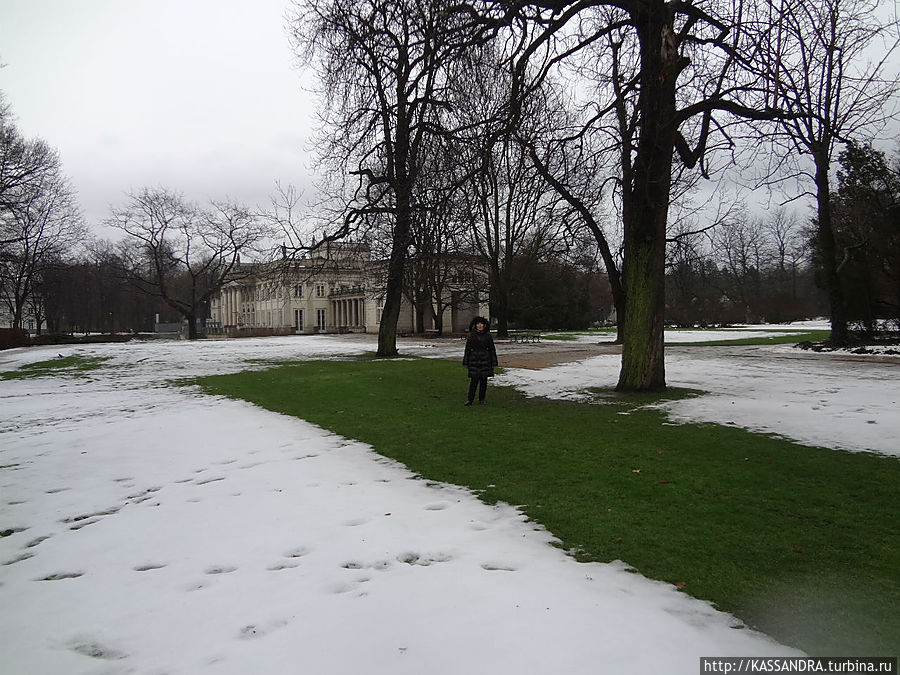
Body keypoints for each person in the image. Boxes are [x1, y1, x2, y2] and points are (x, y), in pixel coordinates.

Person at [462, 316, 498, 406]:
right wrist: (465, 361)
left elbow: (492, 349)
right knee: (473, 381)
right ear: (475, 325)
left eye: (481, 324)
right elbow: (467, 349)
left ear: (484, 325)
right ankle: (470, 399)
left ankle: (482, 399)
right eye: (478, 324)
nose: (480, 325)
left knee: (483, 381)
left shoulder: (488, 336)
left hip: (485, 359)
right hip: (474, 359)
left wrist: (494, 361)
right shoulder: (471, 336)